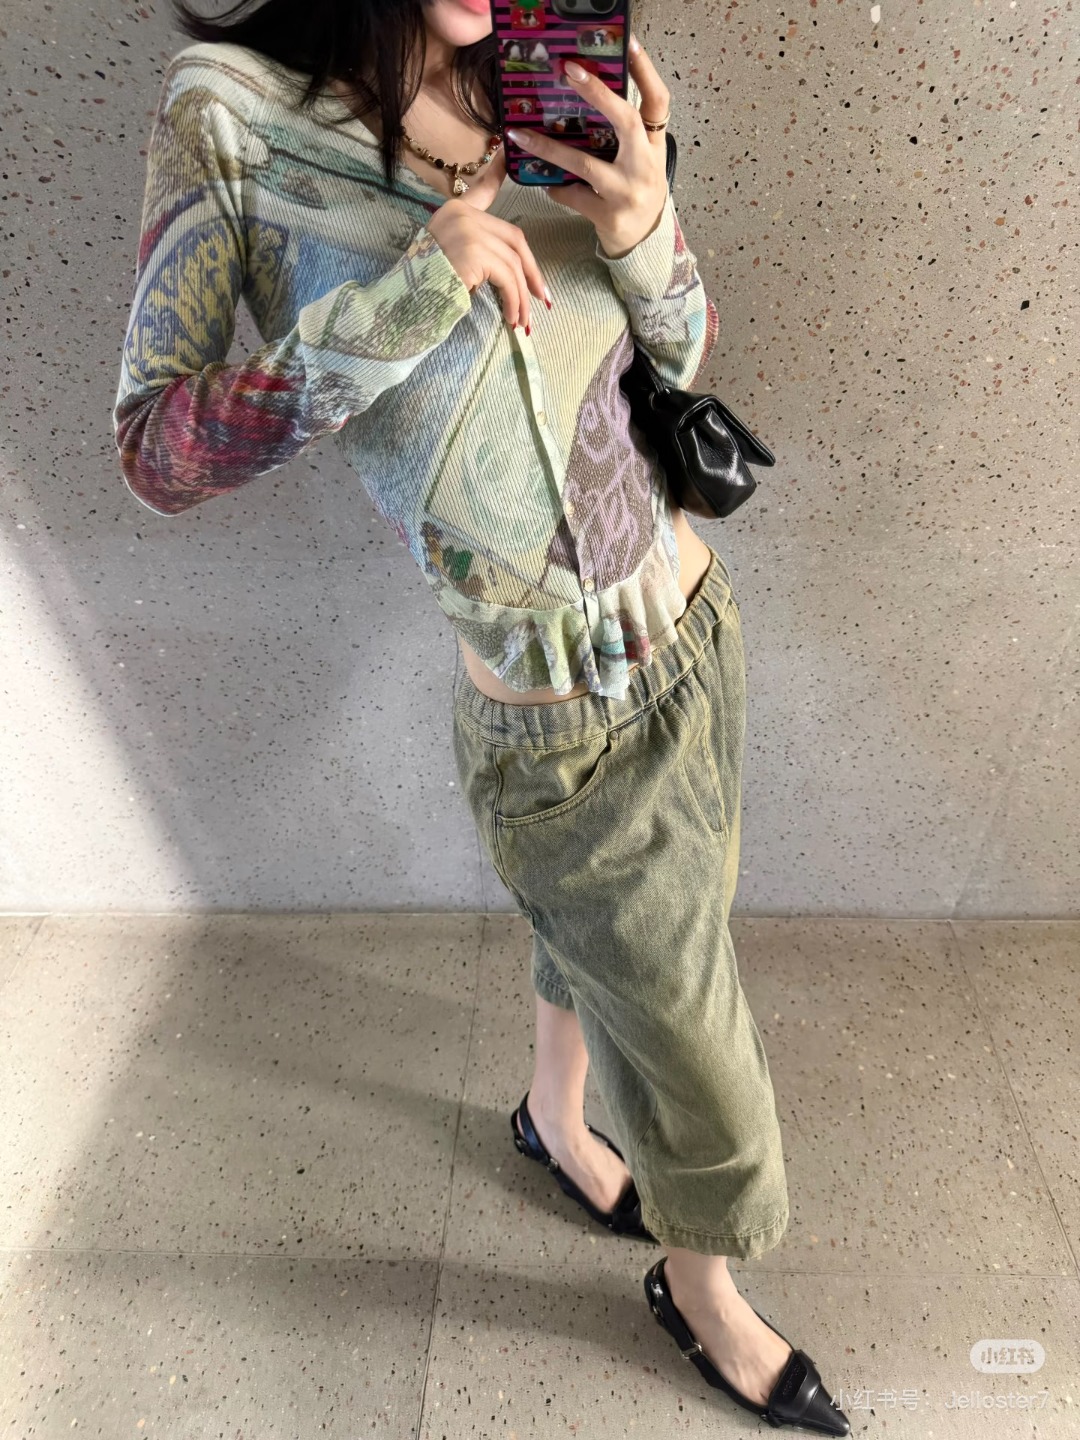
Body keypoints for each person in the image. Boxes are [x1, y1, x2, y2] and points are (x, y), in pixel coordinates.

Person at [113, 0, 849, 1431]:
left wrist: (643, 222)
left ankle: (552, 1119)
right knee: (699, 1048)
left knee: (631, 944)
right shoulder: (229, 115)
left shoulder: (545, 69)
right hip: (556, 730)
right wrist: (407, 294)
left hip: (696, 627)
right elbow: (157, 450)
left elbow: (677, 359)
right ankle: (703, 1290)